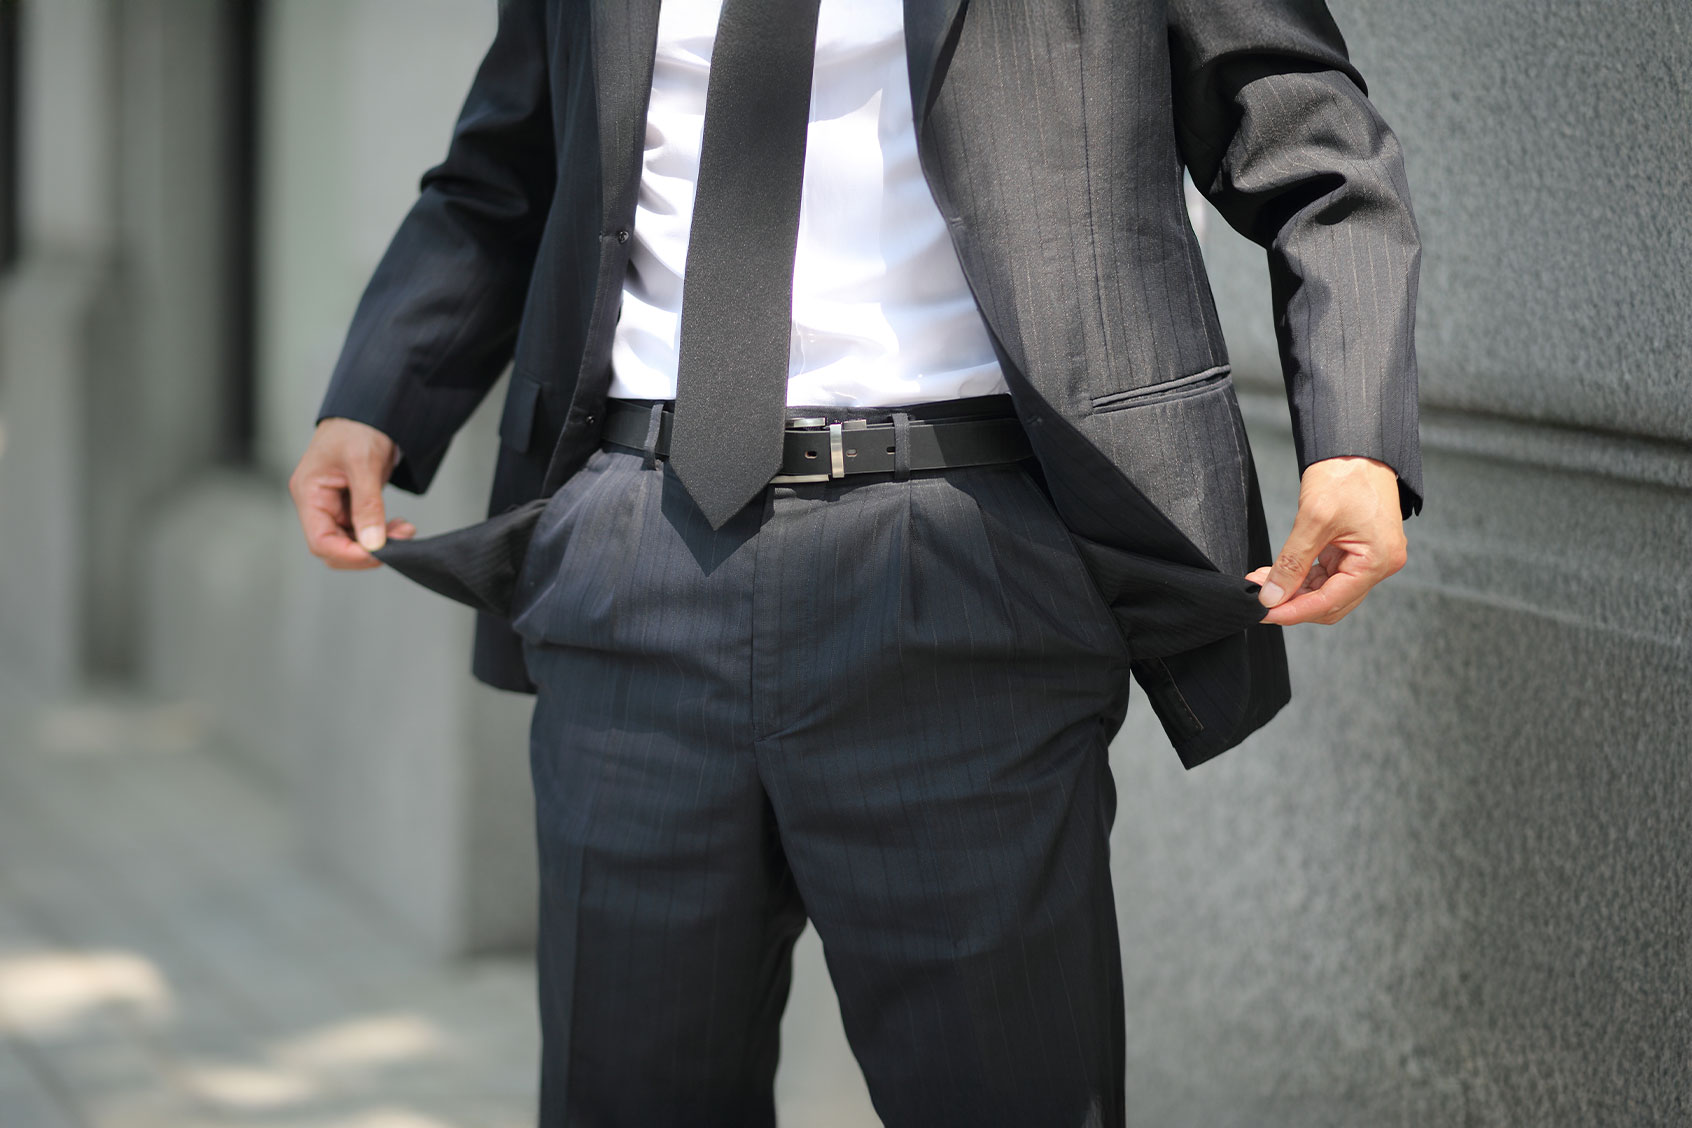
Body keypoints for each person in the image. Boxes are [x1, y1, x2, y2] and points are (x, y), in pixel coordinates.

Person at [287, 1, 1419, 1123]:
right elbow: (509, 166)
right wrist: (379, 396)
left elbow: (1306, 131)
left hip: (962, 565)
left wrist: (1356, 435)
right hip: (634, 551)